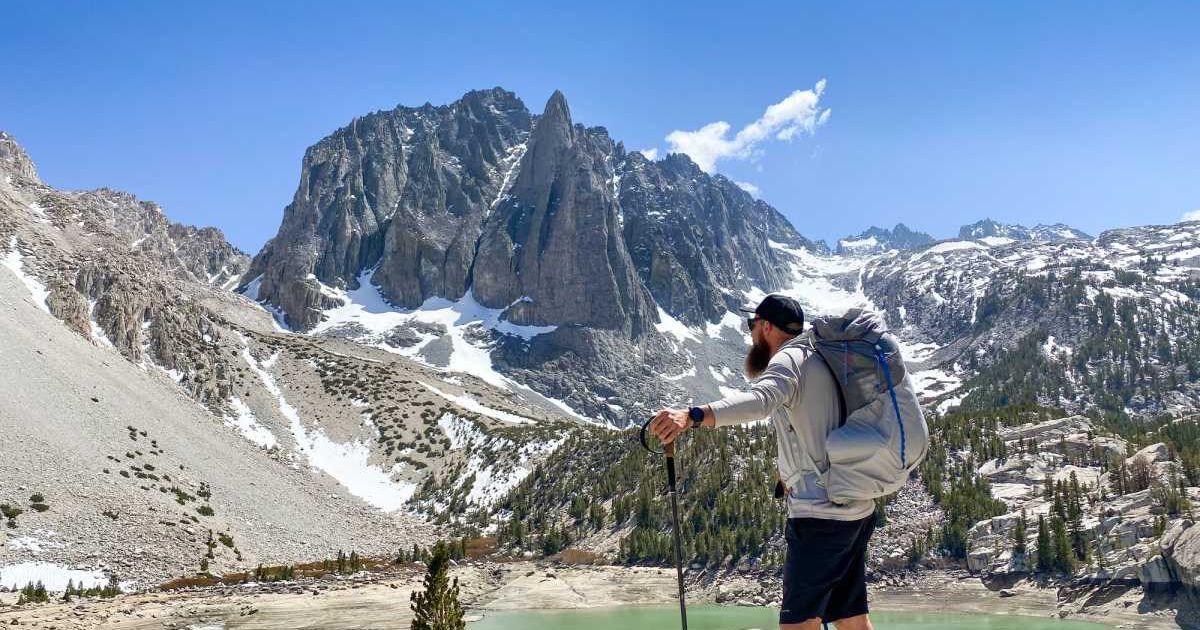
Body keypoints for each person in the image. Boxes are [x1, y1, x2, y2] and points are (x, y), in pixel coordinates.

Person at [650, 293, 876, 630]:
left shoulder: (789, 360)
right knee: (852, 620)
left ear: (766, 326)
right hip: (856, 507)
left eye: (751, 326)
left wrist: (692, 416)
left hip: (820, 517)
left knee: (798, 625)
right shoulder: (822, 359)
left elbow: (759, 401)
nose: (750, 334)